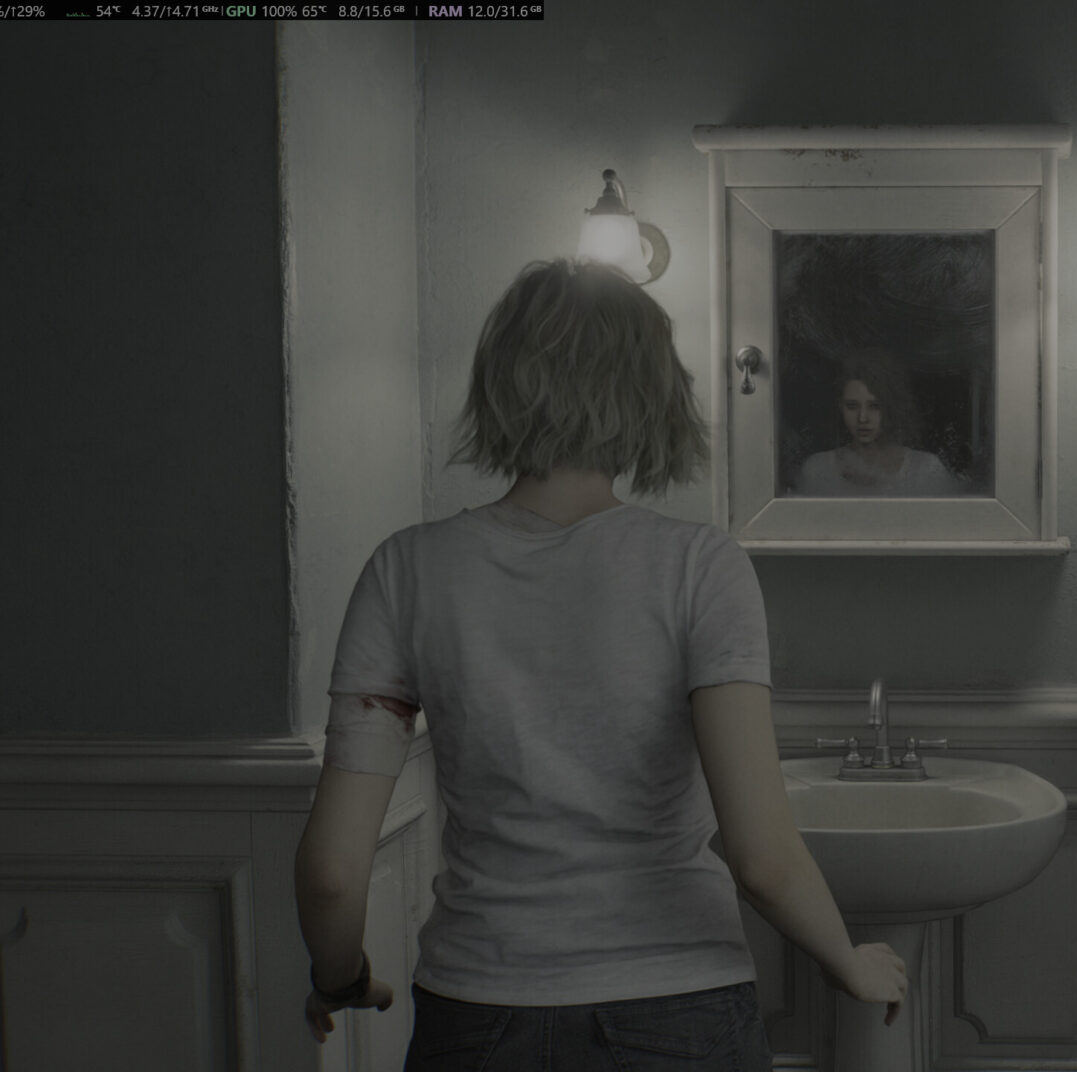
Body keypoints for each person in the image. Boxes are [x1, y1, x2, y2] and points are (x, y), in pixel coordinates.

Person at [292, 258, 909, 1070]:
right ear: (650, 393)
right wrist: (846, 961)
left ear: (499, 383)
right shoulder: (700, 567)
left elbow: (333, 874)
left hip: (479, 1013)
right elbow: (761, 858)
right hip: (680, 1007)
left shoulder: (404, 571)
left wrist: (338, 977)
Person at [792, 348, 971, 496]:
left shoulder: (927, 470)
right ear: (841, 407)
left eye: (875, 406)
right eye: (852, 406)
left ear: (891, 407)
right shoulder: (818, 469)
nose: (862, 418)